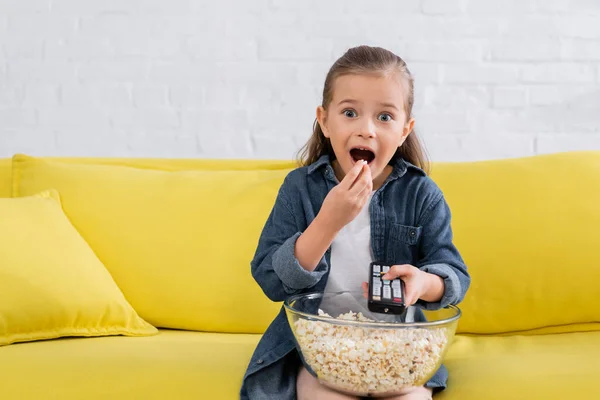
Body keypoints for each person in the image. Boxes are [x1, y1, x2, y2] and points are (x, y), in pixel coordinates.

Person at [240, 45, 471, 400]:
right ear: (324, 120)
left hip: (399, 347)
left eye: (384, 117)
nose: (366, 130)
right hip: (320, 349)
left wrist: (423, 283)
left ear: (405, 130)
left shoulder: (422, 194)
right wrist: (328, 222)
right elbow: (270, 280)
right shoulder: (299, 189)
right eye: (350, 112)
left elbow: (453, 276)